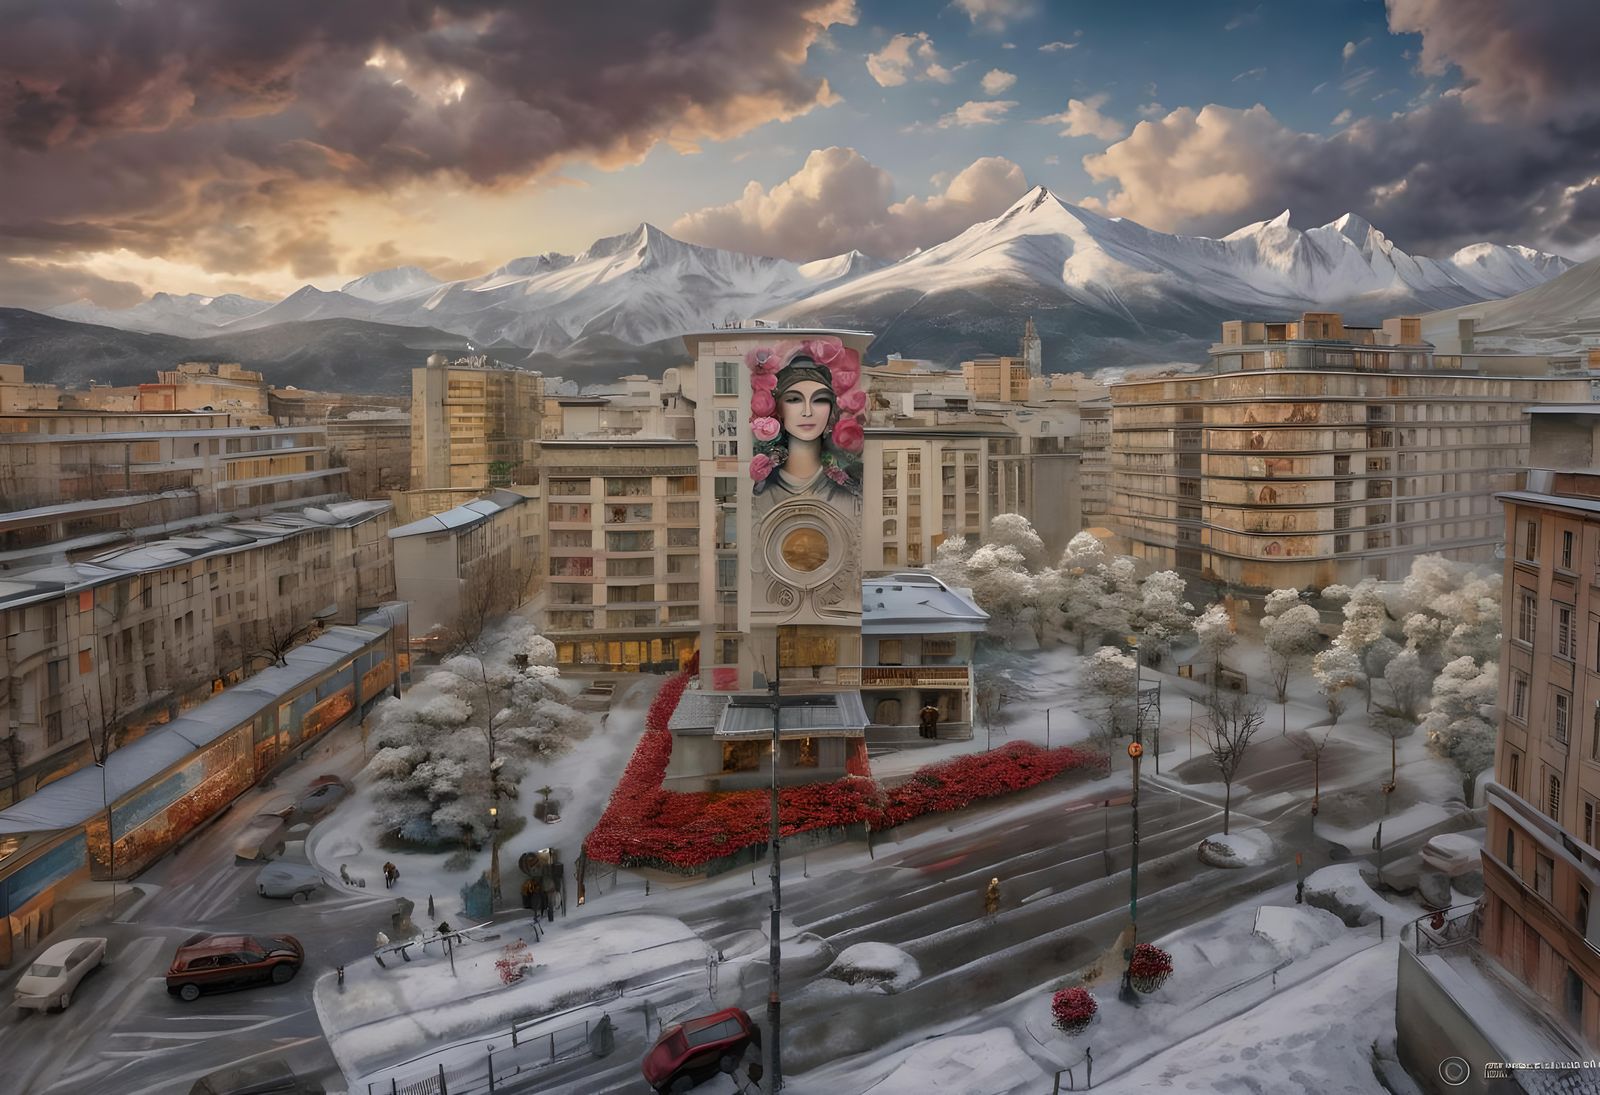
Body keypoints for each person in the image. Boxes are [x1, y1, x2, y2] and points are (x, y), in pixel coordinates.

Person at [749, 347, 864, 506]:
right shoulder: (764, 490)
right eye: (794, 399)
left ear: (831, 410)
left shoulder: (846, 490)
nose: (807, 412)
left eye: (819, 400)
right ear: (779, 409)